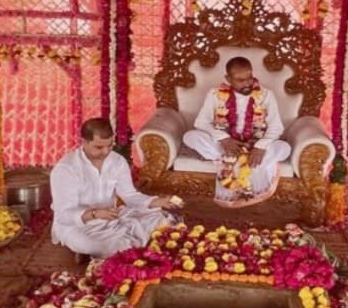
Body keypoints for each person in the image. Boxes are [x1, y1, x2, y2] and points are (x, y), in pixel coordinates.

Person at [50, 117, 180, 259]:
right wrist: (95, 214)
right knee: (98, 245)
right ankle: (113, 248)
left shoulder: (117, 161)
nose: (106, 152)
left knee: (165, 221)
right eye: (99, 147)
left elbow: (129, 195)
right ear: (84, 142)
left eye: (110, 145)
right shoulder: (66, 169)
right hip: (78, 225)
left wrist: (156, 201)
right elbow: (64, 215)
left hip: (112, 216)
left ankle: (121, 247)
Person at [182, 56, 291, 208]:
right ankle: (231, 159)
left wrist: (261, 146)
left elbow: (276, 127)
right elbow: (201, 122)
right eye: (240, 80)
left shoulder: (266, 95)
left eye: (249, 78)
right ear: (228, 79)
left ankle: (237, 161)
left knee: (283, 148)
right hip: (227, 146)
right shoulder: (215, 94)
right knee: (190, 137)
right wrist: (224, 139)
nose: (247, 83)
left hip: (255, 146)